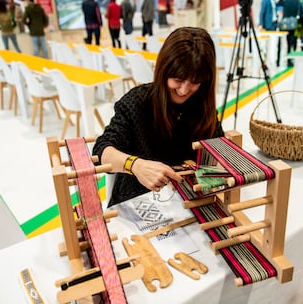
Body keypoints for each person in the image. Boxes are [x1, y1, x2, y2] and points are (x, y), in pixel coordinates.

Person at [92, 27, 224, 207]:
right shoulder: (137, 102)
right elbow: (101, 151)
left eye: (194, 82)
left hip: (188, 200)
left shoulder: (202, 106)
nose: (184, 90)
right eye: (178, 79)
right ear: (164, 70)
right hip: (136, 199)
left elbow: (218, 151)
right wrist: (135, 165)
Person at [277, 0, 302, 66]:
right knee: (293, 42)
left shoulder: (285, 1)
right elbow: (301, 12)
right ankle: (292, 58)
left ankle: (286, 59)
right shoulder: (297, 2)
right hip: (294, 25)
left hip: (286, 25)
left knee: (287, 42)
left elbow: (278, 4)